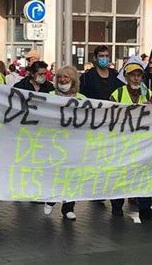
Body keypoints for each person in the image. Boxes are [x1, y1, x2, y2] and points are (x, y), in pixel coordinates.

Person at [109, 60, 152, 220]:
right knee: (119, 174)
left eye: (139, 75)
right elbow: (109, 118)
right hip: (122, 144)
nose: (136, 78)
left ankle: (145, 207)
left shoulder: (148, 94)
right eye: (133, 75)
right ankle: (117, 206)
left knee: (144, 175)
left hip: (143, 143)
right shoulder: (116, 94)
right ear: (126, 77)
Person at [43, 66, 85, 221]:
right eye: (60, 77)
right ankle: (51, 199)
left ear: (73, 80)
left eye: (66, 77)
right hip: (54, 141)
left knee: (72, 175)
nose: (62, 80)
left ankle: (68, 207)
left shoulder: (82, 99)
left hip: (74, 142)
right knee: (55, 173)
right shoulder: (49, 96)